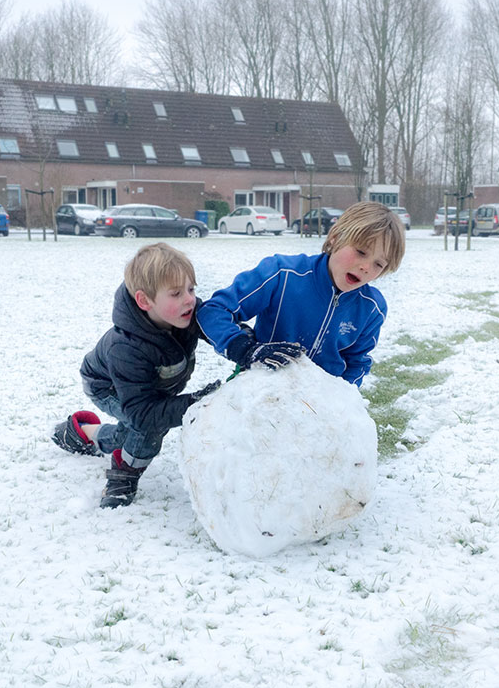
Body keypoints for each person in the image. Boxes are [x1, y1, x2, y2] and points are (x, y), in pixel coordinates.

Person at [51, 243, 220, 508]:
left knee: (127, 435)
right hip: (107, 387)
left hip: (148, 389)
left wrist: (244, 345)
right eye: (176, 293)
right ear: (145, 301)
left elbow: (218, 328)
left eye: (191, 289)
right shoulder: (126, 348)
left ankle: (82, 432)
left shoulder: (186, 312)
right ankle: (124, 473)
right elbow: (143, 412)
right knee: (148, 427)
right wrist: (194, 405)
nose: (189, 299)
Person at [196, 201, 405, 388]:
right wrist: (244, 349)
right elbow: (214, 310)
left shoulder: (372, 308)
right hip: (261, 393)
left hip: (316, 406)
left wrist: (342, 399)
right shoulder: (281, 274)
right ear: (335, 238)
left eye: (379, 264)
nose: (366, 267)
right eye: (361, 252)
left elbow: (357, 362)